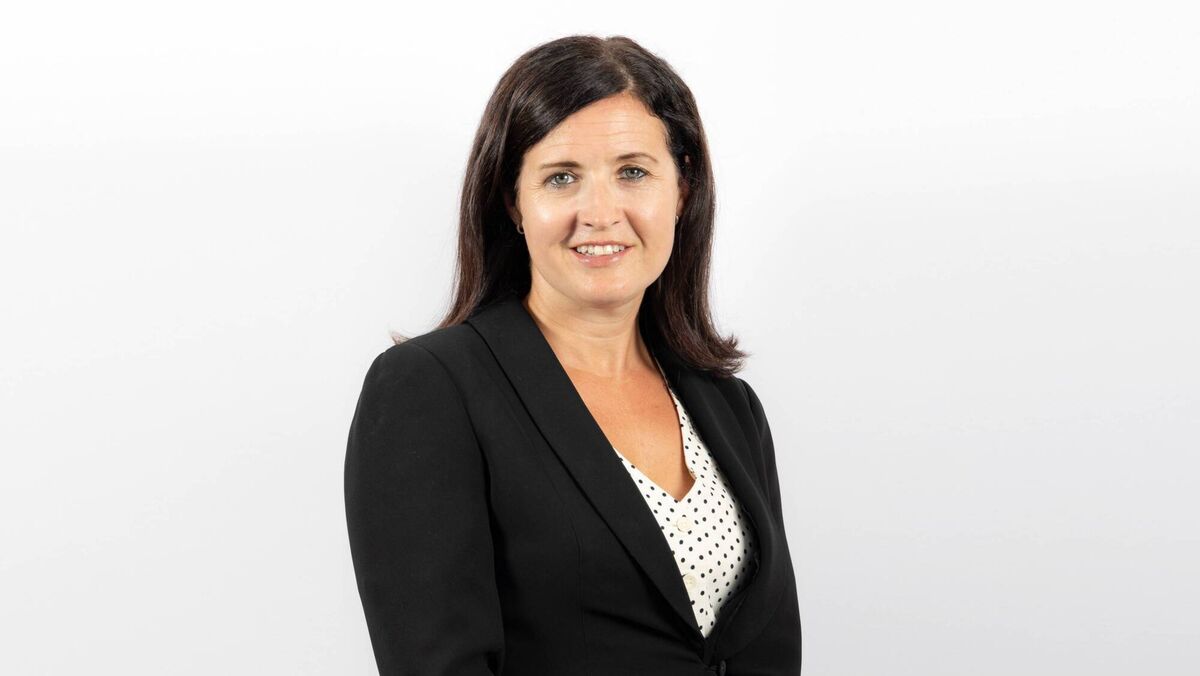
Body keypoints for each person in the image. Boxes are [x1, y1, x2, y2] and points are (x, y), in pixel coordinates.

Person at [344, 34, 802, 675]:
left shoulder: (730, 406)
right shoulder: (431, 389)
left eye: (633, 172)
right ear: (514, 202)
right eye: (562, 178)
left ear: (682, 189)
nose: (600, 212)